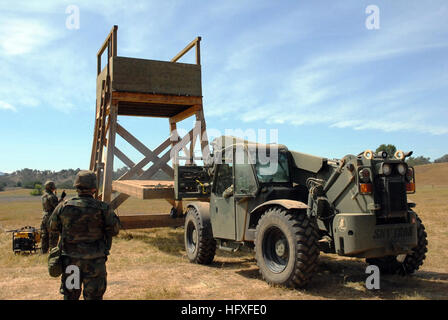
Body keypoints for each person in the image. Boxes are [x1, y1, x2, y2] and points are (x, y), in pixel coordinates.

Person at [49, 170, 120, 300]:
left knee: (70, 296)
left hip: (71, 262)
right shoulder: (103, 208)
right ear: (94, 188)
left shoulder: (63, 206)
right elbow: (114, 230)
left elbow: (53, 227)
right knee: (94, 297)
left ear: (76, 186)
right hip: (95, 262)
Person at [41, 181, 66, 253]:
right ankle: (53, 252)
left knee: (44, 235)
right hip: (51, 218)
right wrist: (62, 198)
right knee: (53, 235)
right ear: (52, 187)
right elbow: (57, 207)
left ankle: (43, 251)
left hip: (44, 217)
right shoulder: (52, 196)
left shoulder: (43, 196)